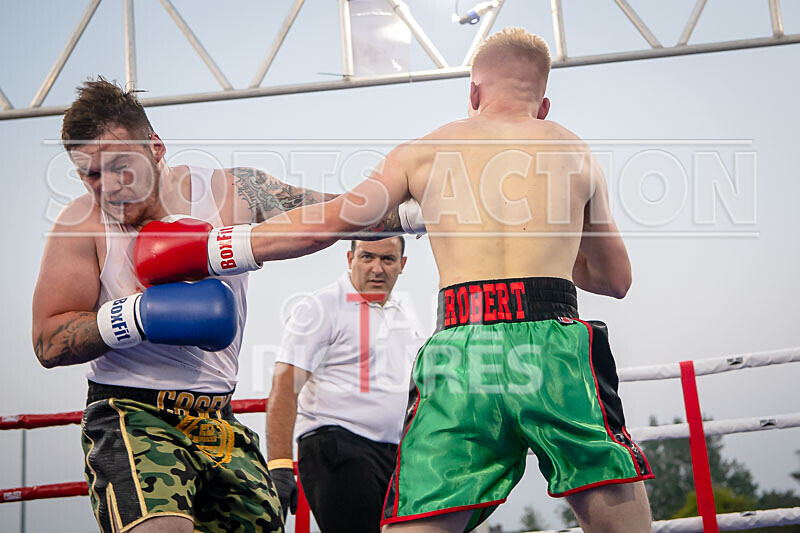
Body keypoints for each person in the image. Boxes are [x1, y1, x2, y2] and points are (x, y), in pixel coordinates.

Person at [126, 27, 654, 533]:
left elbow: (331, 221)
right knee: (610, 496)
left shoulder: (422, 152)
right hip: (554, 344)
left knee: (417, 521)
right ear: (544, 104)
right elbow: (615, 278)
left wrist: (217, 248)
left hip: (461, 348)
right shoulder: (572, 150)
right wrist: (553, 242)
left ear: (473, 92)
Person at [30, 78, 414, 532]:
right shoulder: (81, 225)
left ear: (155, 147)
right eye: (91, 174)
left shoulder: (230, 193)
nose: (110, 186)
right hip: (132, 413)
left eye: (121, 166)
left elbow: (333, 214)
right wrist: (135, 317)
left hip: (218, 416)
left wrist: (416, 215)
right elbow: (48, 341)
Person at [266, 237, 425, 532]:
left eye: (387, 260)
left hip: (394, 458)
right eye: (367, 257)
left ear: (402, 265)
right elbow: (285, 387)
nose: (376, 268)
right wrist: (279, 465)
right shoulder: (321, 306)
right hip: (337, 447)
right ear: (350, 259)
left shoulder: (403, 315)